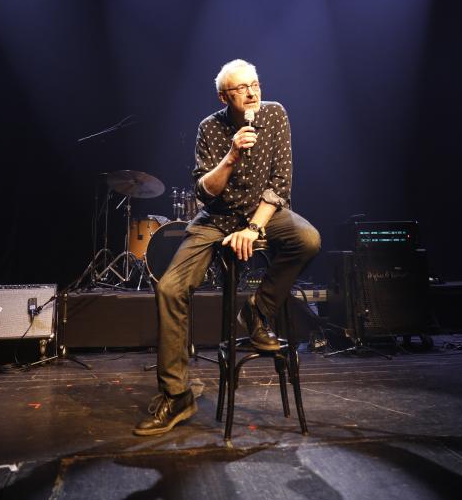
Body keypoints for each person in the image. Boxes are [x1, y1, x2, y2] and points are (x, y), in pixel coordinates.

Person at [133, 58, 321, 436]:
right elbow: (205, 191)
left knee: (308, 239)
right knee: (170, 288)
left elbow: (280, 185)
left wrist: (253, 228)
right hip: (216, 218)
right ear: (224, 96)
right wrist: (232, 156)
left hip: (263, 212)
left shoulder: (275, 115)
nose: (251, 93)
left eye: (255, 85)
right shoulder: (210, 128)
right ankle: (177, 396)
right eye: (241, 88)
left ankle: (257, 311)